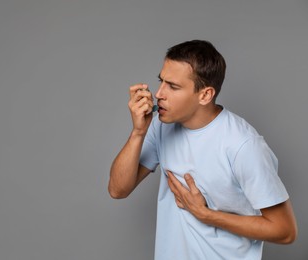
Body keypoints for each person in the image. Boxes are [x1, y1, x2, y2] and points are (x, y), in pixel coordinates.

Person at [108, 40, 297, 259]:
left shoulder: (243, 145)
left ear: (205, 95)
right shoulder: (161, 125)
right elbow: (118, 190)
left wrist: (205, 215)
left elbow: (285, 231)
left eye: (173, 86)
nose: (159, 93)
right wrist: (138, 133)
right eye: (161, 81)